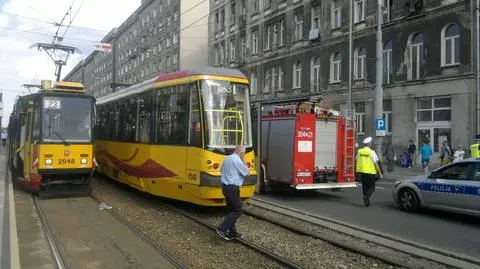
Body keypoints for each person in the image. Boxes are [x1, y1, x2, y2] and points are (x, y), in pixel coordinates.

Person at [216, 145, 250, 241]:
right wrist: (243, 159)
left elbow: (221, 171)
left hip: (225, 187)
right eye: (243, 153)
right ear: (241, 153)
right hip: (232, 188)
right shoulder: (237, 160)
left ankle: (232, 232)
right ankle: (222, 229)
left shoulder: (227, 158)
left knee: (231, 210)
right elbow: (247, 173)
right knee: (237, 210)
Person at [356, 137, 383, 207]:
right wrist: (380, 173)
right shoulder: (372, 152)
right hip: (370, 172)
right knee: (372, 187)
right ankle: (367, 197)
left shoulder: (359, 151)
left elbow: (357, 160)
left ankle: (366, 202)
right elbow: (376, 163)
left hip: (362, 172)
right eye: (371, 143)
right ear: (369, 144)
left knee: (364, 187)